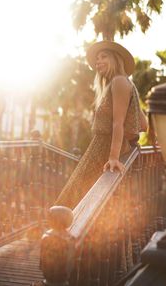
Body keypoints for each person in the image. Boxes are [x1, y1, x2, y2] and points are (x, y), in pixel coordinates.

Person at [55, 40, 147, 209]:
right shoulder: (126, 83)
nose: (98, 62)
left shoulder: (119, 82)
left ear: (116, 59)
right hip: (102, 148)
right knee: (79, 197)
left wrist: (113, 157)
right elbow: (143, 124)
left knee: (75, 197)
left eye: (103, 57)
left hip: (103, 149)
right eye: (97, 59)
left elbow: (117, 123)